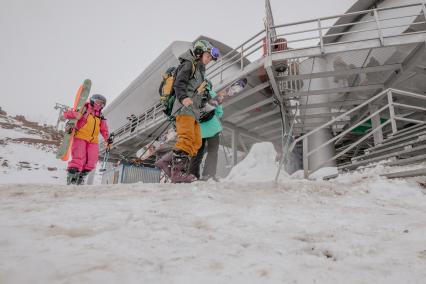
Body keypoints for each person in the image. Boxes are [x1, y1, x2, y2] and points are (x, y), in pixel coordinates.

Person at [156, 40, 220, 183]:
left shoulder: (200, 71)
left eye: (210, 58)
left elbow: (198, 94)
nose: (209, 60)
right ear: (199, 52)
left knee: (196, 142)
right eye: (208, 56)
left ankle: (164, 162)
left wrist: (206, 100)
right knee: (186, 139)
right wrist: (183, 97)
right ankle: (177, 174)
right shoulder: (188, 64)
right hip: (184, 109)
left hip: (194, 112)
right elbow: (179, 83)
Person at [64, 94, 112, 185]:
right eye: (98, 102)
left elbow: (104, 129)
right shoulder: (84, 108)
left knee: (92, 160)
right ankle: (72, 178)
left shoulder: (100, 116)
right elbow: (67, 113)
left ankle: (81, 177)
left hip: (93, 141)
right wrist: (76, 114)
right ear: (92, 101)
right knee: (79, 157)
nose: (99, 105)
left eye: (102, 104)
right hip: (80, 137)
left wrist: (108, 139)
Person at [189, 84, 224, 181]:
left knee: (197, 153)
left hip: (198, 129)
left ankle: (193, 175)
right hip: (213, 129)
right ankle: (208, 175)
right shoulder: (212, 94)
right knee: (212, 152)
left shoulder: (193, 95)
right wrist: (219, 104)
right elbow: (219, 114)